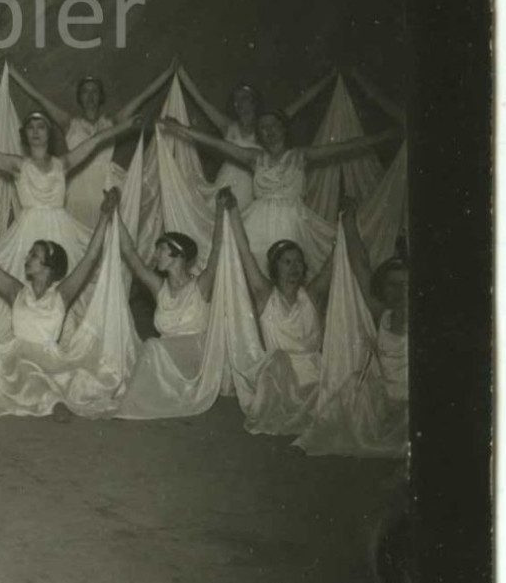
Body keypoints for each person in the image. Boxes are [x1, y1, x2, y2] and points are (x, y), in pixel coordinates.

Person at [157, 110, 398, 277]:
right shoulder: (255, 157)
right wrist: (180, 129)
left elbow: (347, 146)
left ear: (283, 127)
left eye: (273, 125)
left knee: (289, 271)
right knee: (247, 269)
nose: (268, 130)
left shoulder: (300, 155)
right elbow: (217, 144)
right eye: (263, 128)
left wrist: (384, 136)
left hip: (291, 220)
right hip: (257, 222)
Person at [0, 189, 120, 421]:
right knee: (15, 373)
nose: (27, 258)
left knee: (52, 378)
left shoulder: (62, 294)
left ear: (48, 265)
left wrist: (104, 216)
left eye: (34, 255)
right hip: (17, 357)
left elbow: (91, 258)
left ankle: (54, 401)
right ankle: (53, 403)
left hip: (50, 361)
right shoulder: (16, 291)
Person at [0, 108, 143, 276]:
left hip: (61, 229)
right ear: (25, 135)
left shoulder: (63, 164)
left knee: (67, 274)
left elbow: (95, 141)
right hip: (27, 231)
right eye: (30, 127)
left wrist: (126, 125)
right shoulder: (18, 165)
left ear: (48, 134)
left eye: (41, 127)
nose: (35, 131)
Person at [294, 199, 409, 458]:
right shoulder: (382, 315)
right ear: (383, 288)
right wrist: (348, 222)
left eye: (404, 284)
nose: (399, 291)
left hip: (410, 402)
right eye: (392, 285)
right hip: (386, 402)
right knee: (352, 389)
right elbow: (361, 267)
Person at [112, 189, 232, 418]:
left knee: (152, 346)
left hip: (195, 358)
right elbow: (130, 253)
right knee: (145, 350)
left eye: (161, 249)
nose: (156, 254)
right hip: (166, 357)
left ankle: (130, 407)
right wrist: (114, 213)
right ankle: (137, 402)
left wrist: (220, 210)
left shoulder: (201, 285)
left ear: (179, 255)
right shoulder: (160, 287)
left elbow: (217, 249)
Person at [8, 61, 173, 224]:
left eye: (95, 91)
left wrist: (169, 72)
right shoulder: (69, 123)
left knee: (107, 232)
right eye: (85, 92)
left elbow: (142, 97)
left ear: (101, 96)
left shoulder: (112, 122)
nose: (90, 96)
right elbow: (40, 98)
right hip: (78, 190)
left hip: (106, 185)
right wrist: (13, 72)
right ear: (79, 97)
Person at [225, 192, 336, 435]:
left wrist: (346, 225)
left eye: (298, 262)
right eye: (286, 262)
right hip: (277, 379)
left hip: (313, 375)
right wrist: (233, 211)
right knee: (278, 362)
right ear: (275, 267)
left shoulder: (313, 296)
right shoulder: (265, 294)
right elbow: (245, 253)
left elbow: (334, 262)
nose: (294, 267)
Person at [176, 69, 333, 209]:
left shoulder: (268, 128)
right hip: (224, 182)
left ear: (254, 101)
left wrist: (329, 77)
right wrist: (181, 73)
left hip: (250, 189)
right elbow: (202, 102)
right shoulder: (228, 126)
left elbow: (302, 102)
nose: (239, 103)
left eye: (244, 98)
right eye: (236, 100)